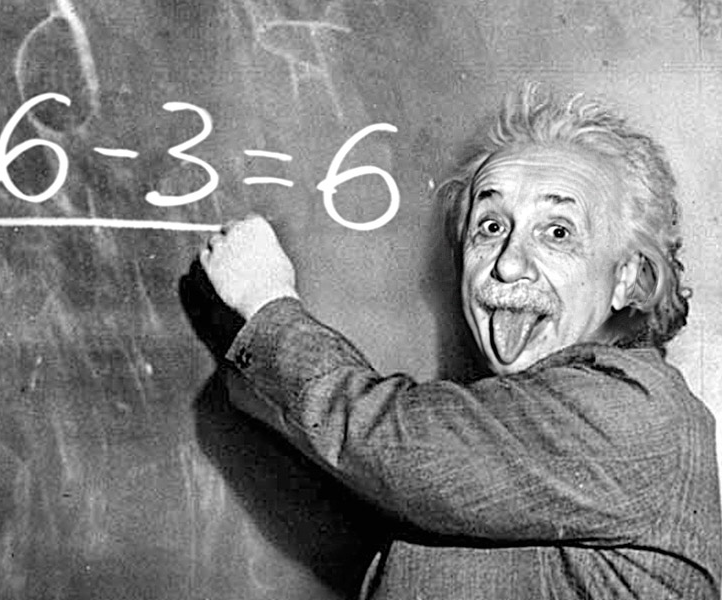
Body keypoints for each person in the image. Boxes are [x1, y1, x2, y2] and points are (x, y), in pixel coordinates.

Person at [192, 85, 722, 599]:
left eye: (557, 232)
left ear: (627, 278)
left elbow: (392, 441)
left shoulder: (636, 411)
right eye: (490, 227)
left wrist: (267, 303)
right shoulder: (500, 440)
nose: (508, 263)